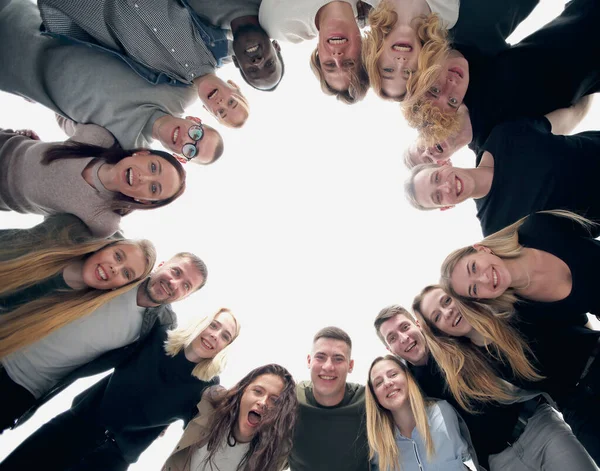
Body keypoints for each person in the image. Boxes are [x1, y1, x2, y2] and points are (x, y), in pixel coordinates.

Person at [0, 309, 240, 470]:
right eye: (213, 325)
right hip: (72, 426)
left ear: (226, 347)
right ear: (201, 322)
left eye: (225, 336)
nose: (214, 335)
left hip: (110, 459)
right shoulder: (156, 337)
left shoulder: (207, 388)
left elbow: (198, 438)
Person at [1, 247, 208, 432]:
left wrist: (163, 422)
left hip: (24, 389)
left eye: (186, 286)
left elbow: (166, 373)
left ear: (185, 297)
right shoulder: (122, 270)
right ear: (161, 265)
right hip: (7, 343)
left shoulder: (160, 329)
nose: (174, 283)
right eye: (176, 271)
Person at [374, 304, 597, 469]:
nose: (403, 338)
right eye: (392, 337)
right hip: (499, 462)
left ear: (418, 325)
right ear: (389, 348)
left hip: (538, 428)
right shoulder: (410, 387)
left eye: (405, 327)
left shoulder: (454, 340)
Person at [0, 1, 237, 154]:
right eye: (197, 134)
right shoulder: (181, 89)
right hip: (27, 22)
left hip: (14, 73)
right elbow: (209, 49)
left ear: (181, 158)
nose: (187, 140)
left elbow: (69, 125)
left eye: (191, 151)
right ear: (196, 121)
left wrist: (57, 93)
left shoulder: (127, 147)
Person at [402, 0, 600, 152]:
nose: (452, 84)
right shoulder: (481, 85)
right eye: (453, 101)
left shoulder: (447, 18)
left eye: (435, 90)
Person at [36, 0, 253, 128]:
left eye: (220, 112)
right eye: (231, 103)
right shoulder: (219, 44)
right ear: (234, 86)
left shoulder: (167, 85)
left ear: (208, 111)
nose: (221, 103)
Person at [405, 117, 600, 238]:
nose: (446, 187)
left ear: (443, 163)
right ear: (446, 207)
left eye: (436, 178)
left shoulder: (503, 136)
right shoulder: (498, 232)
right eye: (437, 197)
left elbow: (570, 115)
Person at [0, 126, 186, 237]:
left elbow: (51, 234)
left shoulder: (103, 221)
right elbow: (62, 112)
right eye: (153, 167)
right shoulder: (99, 138)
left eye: (153, 188)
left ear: (144, 201)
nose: (143, 177)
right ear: (142, 153)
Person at [441, 210, 600, 324]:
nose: (484, 278)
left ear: (482, 249)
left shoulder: (538, 226)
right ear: (480, 298)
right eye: (474, 289)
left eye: (473, 267)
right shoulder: (525, 313)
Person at [363, 0, 538, 101]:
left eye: (388, 70)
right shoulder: (454, 17)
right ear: (423, 64)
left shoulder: (362, 5)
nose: (400, 63)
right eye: (409, 72)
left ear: (374, 55)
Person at [163, 363, 298, 471]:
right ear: (243, 391)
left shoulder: (277, 452)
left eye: (274, 400)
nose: (263, 403)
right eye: (257, 391)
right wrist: (163, 423)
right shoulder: (210, 404)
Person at [403, 94, 591, 168]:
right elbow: (573, 115)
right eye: (428, 160)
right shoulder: (493, 152)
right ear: (444, 165)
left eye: (421, 148)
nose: (428, 151)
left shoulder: (461, 91)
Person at [366, 354, 477, 470]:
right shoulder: (377, 445)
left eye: (393, 374)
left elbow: (470, 457)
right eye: (378, 383)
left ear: (407, 377)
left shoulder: (443, 412)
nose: (387, 383)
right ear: (374, 396)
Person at [259, 0, 380, 104]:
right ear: (363, 49)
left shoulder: (282, 24)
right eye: (348, 63)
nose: (337, 57)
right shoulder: (383, 5)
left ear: (319, 54)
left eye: (330, 64)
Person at [290, 326, 369, 470]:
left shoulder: (368, 400)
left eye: (338, 359)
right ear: (309, 360)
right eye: (320, 357)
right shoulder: (291, 399)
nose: (328, 367)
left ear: (350, 366)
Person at [189, 0, 285, 91]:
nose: (258, 62)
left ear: (236, 61)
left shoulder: (200, 17)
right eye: (269, 63)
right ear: (276, 46)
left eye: (252, 70)